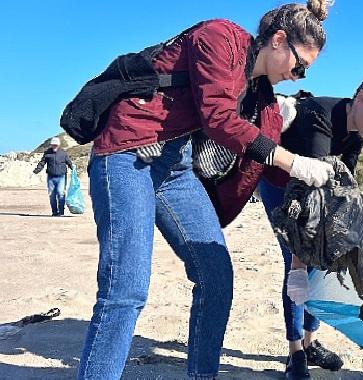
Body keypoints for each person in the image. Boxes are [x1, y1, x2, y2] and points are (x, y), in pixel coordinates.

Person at [77, 2, 335, 379]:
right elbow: (218, 117)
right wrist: (292, 160)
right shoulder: (220, 36)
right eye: (300, 66)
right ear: (278, 41)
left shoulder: (265, 101)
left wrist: (321, 196)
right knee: (126, 289)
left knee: (216, 278)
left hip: (175, 167)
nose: (298, 76)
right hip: (127, 150)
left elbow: (266, 169)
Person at [260, 70, 363, 379]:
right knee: (300, 265)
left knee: (326, 261)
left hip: (315, 185)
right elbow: (308, 205)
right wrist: (299, 265)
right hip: (281, 185)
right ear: (359, 97)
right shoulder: (319, 117)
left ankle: (311, 342)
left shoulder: (358, 132)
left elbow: (342, 189)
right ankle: (295, 351)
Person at [33, 136, 74, 216]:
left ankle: (61, 211)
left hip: (61, 177)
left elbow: (68, 162)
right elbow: (42, 163)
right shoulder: (47, 153)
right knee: (52, 195)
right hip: (51, 177)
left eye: (56, 145)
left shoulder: (63, 153)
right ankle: (54, 212)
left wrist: (73, 168)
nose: (54, 146)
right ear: (51, 145)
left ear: (58, 145)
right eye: (53, 145)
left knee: (60, 193)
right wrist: (37, 170)